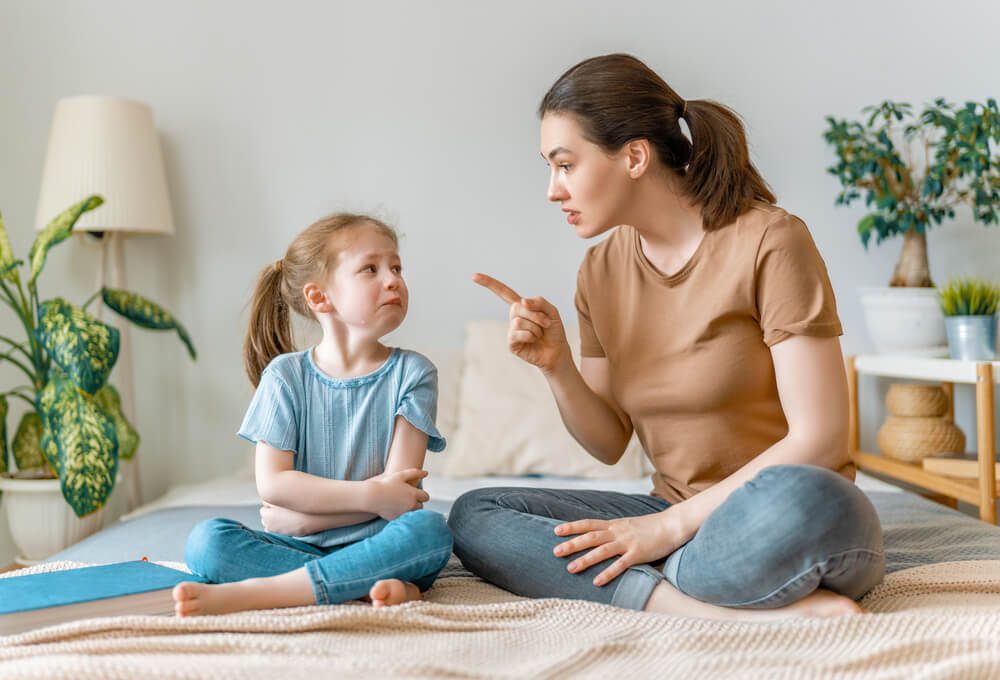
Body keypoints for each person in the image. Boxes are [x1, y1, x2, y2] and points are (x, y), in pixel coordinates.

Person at [449, 54, 885, 622]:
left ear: (633, 156)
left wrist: (662, 531)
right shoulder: (599, 271)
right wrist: (555, 367)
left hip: (777, 513)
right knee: (477, 514)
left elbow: (822, 438)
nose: (553, 190)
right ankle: (693, 605)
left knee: (807, 502)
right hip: (671, 515)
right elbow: (608, 443)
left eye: (565, 165)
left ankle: (661, 574)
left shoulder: (769, 241)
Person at [174, 212, 452, 616]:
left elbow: (401, 499)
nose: (393, 279)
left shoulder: (415, 373)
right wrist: (371, 497)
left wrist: (308, 521)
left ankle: (266, 593)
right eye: (370, 269)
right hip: (311, 548)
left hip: (382, 544)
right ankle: (357, 586)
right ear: (320, 297)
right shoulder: (285, 376)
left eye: (396, 267)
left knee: (430, 531)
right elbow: (274, 483)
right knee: (206, 542)